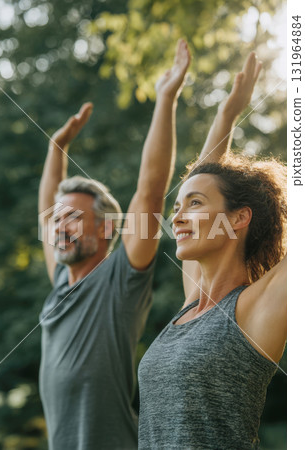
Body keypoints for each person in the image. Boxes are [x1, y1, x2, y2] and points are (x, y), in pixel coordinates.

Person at [38, 40, 191, 450]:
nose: (60, 227)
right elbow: (47, 201)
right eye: (57, 220)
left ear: (107, 230)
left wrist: (166, 100)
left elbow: (150, 191)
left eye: (73, 218)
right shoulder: (59, 282)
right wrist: (58, 146)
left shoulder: (120, 280)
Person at [138, 53, 287, 449]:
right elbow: (203, 180)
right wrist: (226, 115)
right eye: (176, 208)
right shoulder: (193, 303)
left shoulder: (256, 308)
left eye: (195, 206)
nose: (178, 217)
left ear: (239, 219)